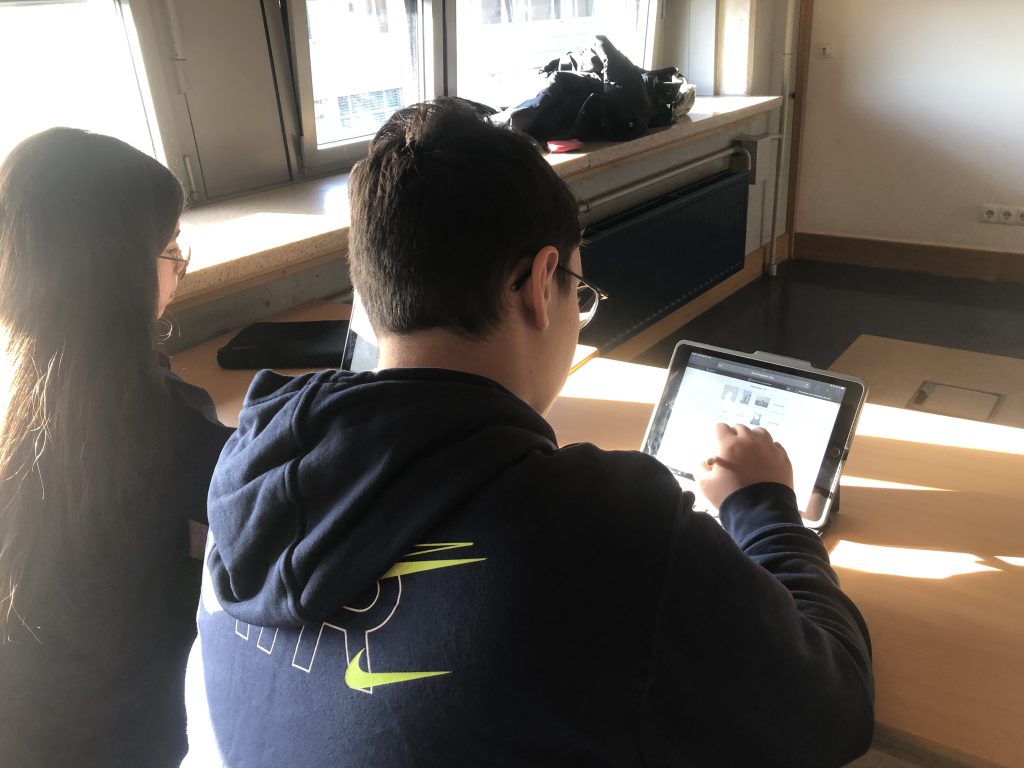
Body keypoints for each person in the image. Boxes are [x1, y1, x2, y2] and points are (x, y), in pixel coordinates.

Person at [184, 99, 873, 767]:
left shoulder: (251, 459)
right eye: (581, 293)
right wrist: (764, 506)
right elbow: (832, 708)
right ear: (540, 284)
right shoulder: (609, 530)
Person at [0, 128, 233, 767]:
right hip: (139, 740)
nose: (180, 263)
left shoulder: (18, 402)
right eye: (170, 247)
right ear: (118, 274)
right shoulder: (165, 424)